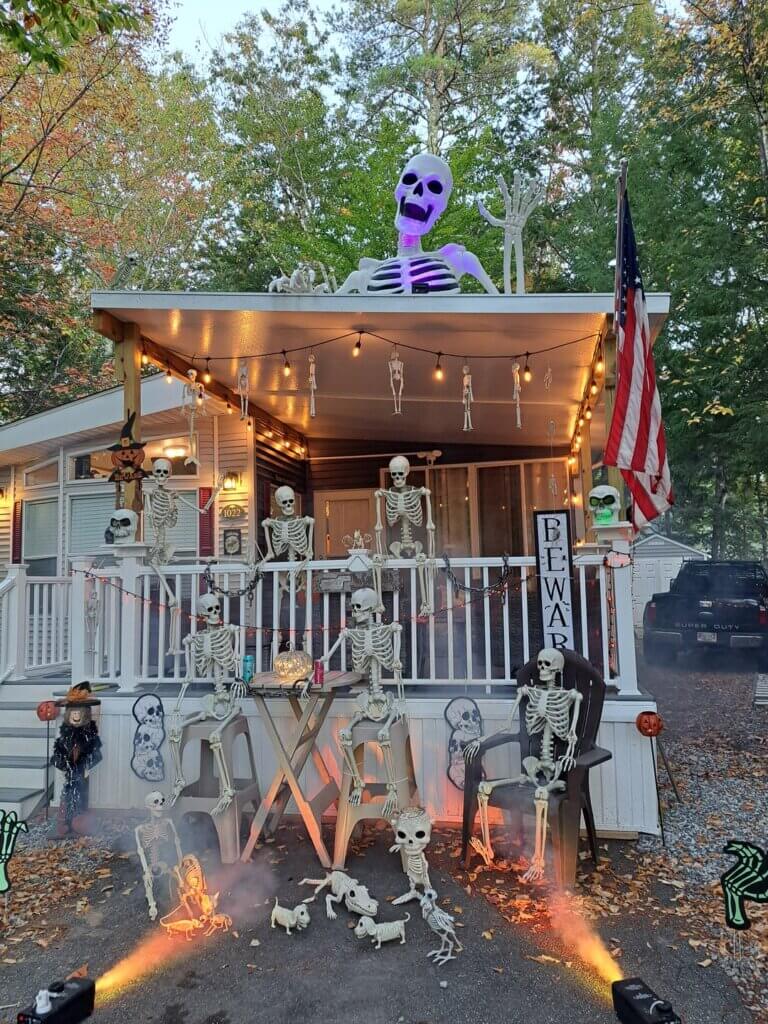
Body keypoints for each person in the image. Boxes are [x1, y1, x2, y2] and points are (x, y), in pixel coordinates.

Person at [51, 682, 103, 838]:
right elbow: (59, 750)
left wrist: (88, 766)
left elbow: (94, 751)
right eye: (73, 713)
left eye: (78, 714)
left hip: (81, 768)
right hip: (69, 768)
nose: (76, 716)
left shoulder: (88, 734)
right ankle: (65, 820)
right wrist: (62, 763)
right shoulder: (66, 735)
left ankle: (77, 820)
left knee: (80, 792)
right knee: (67, 792)